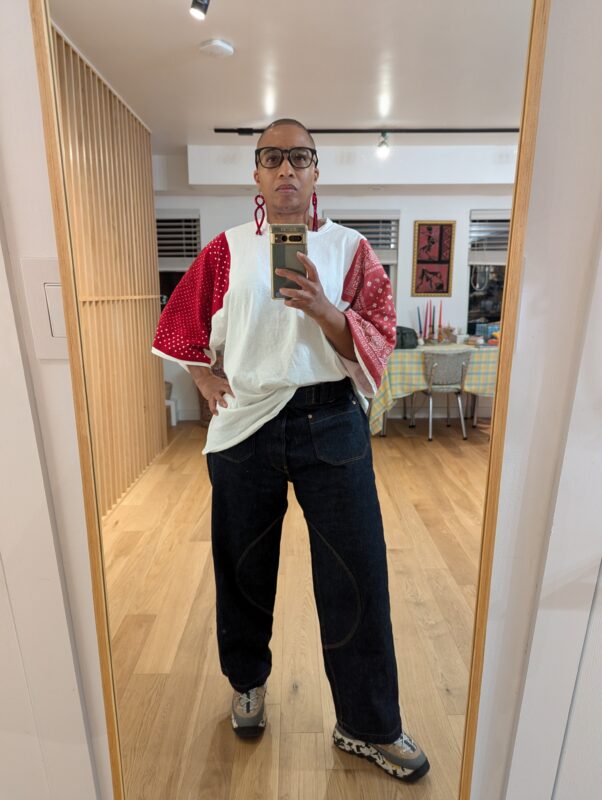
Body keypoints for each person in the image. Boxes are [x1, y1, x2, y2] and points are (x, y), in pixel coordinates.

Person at [151, 119, 430, 783]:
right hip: (246, 424)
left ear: (315, 172)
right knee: (242, 565)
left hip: (330, 422)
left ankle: (368, 724)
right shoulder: (224, 251)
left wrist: (327, 312)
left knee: (356, 570)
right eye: (271, 158)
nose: (285, 171)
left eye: (298, 158)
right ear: (256, 174)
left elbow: (382, 337)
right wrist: (202, 374)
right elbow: (180, 323)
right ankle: (247, 682)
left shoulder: (351, 249)